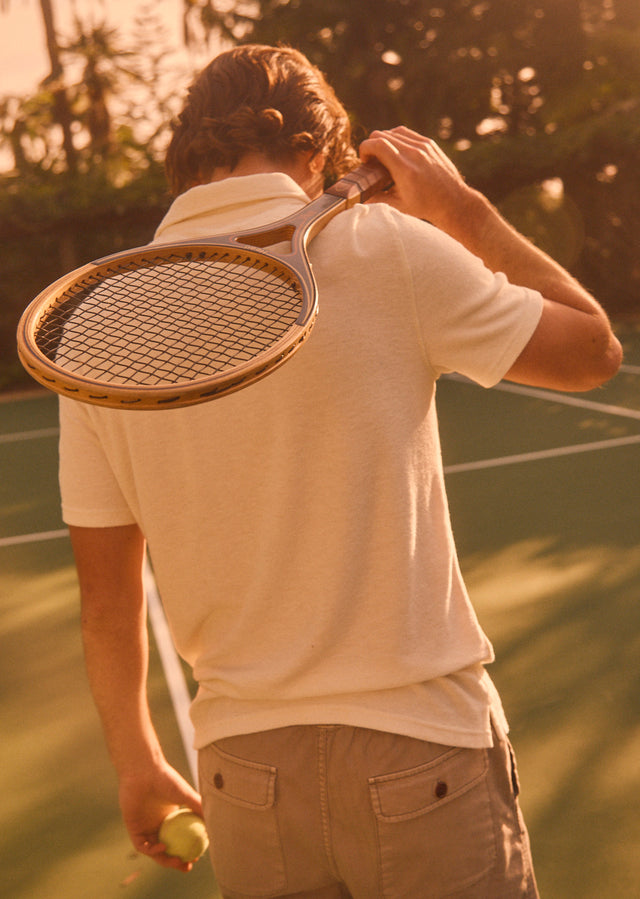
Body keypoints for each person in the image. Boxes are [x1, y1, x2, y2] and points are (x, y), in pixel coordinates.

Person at [59, 44, 621, 899]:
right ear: (322, 155)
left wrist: (138, 762)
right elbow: (592, 350)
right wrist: (461, 207)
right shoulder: (389, 247)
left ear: (188, 156)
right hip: (421, 749)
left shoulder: (99, 321)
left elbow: (107, 604)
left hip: (244, 777)